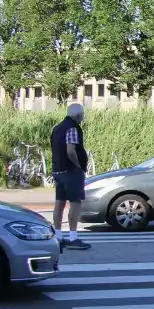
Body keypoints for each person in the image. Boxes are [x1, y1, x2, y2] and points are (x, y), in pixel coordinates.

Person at [50, 103, 90, 250]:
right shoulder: (72, 128)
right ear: (78, 115)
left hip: (58, 170)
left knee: (59, 202)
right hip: (71, 171)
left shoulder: (57, 128)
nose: (83, 118)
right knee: (75, 202)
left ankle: (58, 236)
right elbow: (71, 150)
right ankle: (73, 237)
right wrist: (78, 165)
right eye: (82, 115)